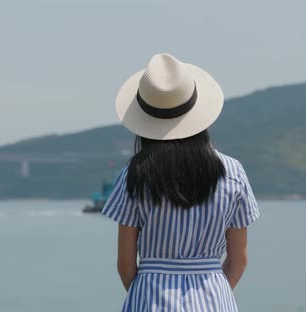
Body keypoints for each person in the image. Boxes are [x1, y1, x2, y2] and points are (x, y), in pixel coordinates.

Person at [102, 53, 259, 311]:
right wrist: (212, 296)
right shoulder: (233, 172)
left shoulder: (135, 174)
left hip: (149, 299)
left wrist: (145, 295)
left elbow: (125, 265)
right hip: (215, 299)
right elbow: (238, 260)